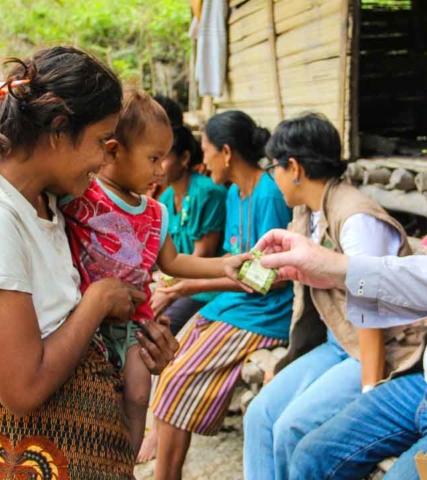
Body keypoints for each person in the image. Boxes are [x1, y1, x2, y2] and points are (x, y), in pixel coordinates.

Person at [237, 73, 427, 480]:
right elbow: (415, 274)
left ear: (295, 168)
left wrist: (424, 293)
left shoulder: (353, 214)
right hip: (420, 382)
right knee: (308, 454)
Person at [0, 47, 178, 480]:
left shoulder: (50, 204)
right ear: (59, 129)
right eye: (102, 143)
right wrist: (96, 303)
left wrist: (142, 349)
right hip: (31, 456)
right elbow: (22, 388)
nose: (104, 162)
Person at [60, 90, 247, 459]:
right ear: (112, 151)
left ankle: (123, 461)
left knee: (139, 391)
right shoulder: (81, 193)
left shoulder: (153, 212)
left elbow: (173, 262)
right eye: (152, 158)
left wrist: (224, 264)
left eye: (163, 158)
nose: (161, 170)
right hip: (80, 319)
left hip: (131, 323)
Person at [242, 112, 424, 480]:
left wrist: (371, 393)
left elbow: (370, 316)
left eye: (272, 166)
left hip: (373, 350)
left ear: (293, 167)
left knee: (290, 428)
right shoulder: (306, 211)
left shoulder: (356, 219)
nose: (270, 176)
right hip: (336, 343)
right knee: (260, 414)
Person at [149, 110, 294, 480]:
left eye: (207, 150)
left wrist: (190, 286)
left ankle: (166, 474)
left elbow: (271, 277)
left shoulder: (269, 194)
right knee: (170, 365)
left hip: (265, 313)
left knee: (178, 376)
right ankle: (163, 465)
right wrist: (190, 285)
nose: (203, 160)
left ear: (226, 153)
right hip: (234, 305)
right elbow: (233, 260)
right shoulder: (234, 194)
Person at [150, 98, 227, 335]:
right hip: (176, 281)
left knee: (160, 327)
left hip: (203, 287)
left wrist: (166, 292)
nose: (158, 166)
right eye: (154, 158)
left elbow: (201, 255)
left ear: (184, 159)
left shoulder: (207, 192)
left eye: (164, 158)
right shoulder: (164, 200)